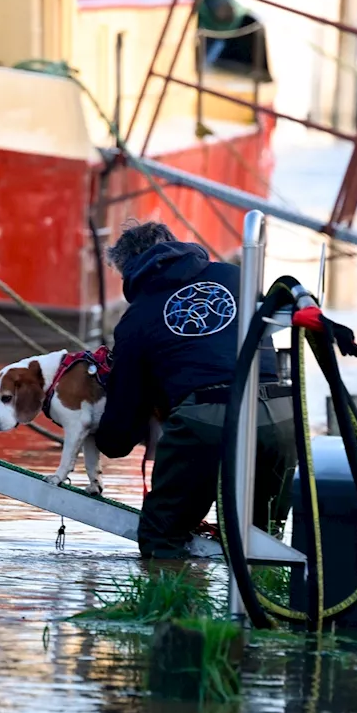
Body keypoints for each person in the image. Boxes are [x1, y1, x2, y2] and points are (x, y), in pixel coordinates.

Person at [93, 220, 296, 560]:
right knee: (263, 539)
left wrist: (98, 433)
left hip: (207, 420)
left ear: (129, 268)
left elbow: (119, 433)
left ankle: (174, 608)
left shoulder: (137, 318)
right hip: (280, 417)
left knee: (163, 535)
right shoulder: (236, 277)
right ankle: (263, 607)